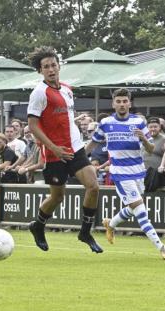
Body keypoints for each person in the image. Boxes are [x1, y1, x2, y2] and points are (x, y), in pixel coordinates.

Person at [26, 46, 102, 253]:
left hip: (75, 148)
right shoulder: (39, 93)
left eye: (53, 65)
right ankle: (38, 225)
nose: (51, 69)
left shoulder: (67, 89)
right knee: (58, 197)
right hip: (54, 153)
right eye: (46, 67)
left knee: (93, 186)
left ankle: (85, 232)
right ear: (40, 71)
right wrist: (53, 148)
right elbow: (33, 126)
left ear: (59, 66)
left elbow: (65, 120)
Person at [86, 88, 165, 260]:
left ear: (129, 103)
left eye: (125, 101)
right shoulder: (106, 123)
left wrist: (144, 139)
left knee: (133, 209)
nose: (122, 104)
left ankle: (110, 224)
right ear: (113, 104)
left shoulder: (139, 122)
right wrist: (78, 159)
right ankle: (161, 247)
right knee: (140, 210)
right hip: (120, 173)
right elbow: (92, 145)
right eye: (118, 101)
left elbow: (151, 148)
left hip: (139, 172)